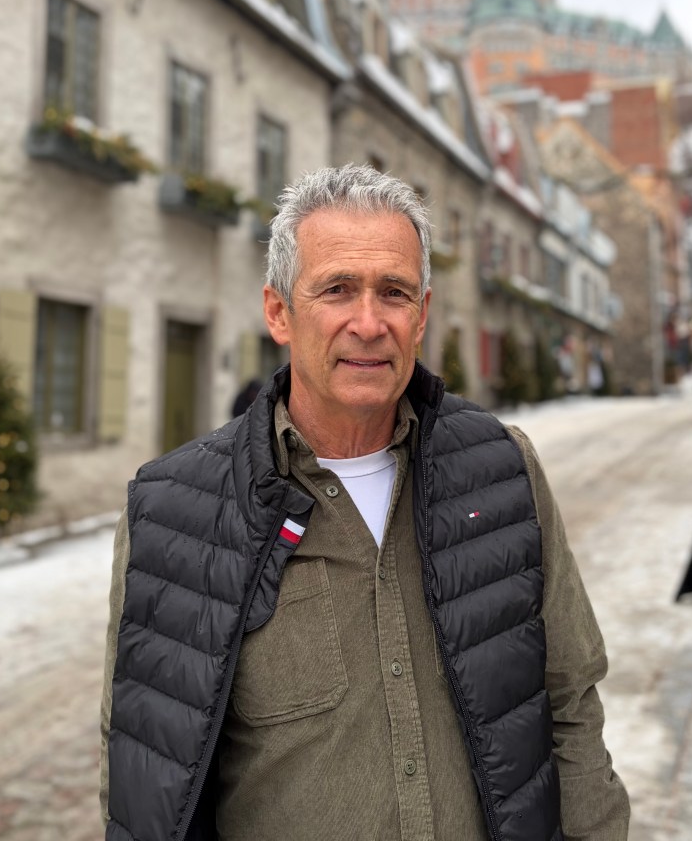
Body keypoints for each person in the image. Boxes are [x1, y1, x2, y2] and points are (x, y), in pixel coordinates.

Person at [100, 165, 630, 841]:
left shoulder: (501, 470)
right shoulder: (177, 512)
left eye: (394, 292)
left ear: (423, 315)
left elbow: (570, 704)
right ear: (278, 312)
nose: (370, 322)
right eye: (338, 289)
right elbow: (147, 779)